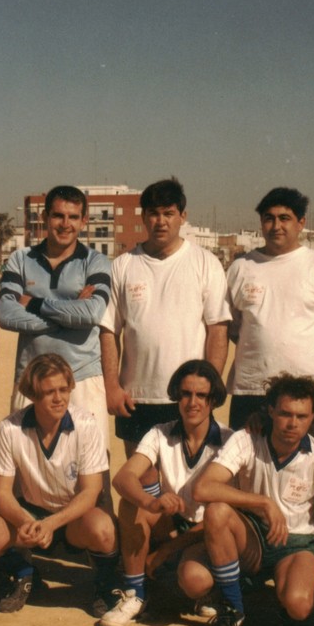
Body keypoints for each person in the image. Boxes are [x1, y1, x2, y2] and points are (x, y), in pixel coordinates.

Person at [191, 373, 314, 626]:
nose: (293, 423)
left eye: (302, 416)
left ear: (313, 417)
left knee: (299, 606)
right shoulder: (246, 439)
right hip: (252, 537)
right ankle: (232, 609)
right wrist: (263, 503)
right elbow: (202, 489)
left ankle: (273, 594)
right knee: (217, 511)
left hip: (298, 543)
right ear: (271, 411)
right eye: (285, 413)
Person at [99, 177, 231, 489]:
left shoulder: (205, 263)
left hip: (189, 396)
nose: (161, 221)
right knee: (144, 482)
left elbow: (217, 331)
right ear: (144, 217)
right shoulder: (123, 265)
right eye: (154, 213)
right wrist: (112, 387)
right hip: (137, 397)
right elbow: (108, 331)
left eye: (169, 213)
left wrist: (210, 385)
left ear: (183, 217)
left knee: (186, 481)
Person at [0, 353, 121, 615]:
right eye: (49, 392)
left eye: (64, 389)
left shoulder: (86, 424)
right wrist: (26, 522)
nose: (59, 398)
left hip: (72, 517)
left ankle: (105, 585)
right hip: (31, 513)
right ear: (33, 395)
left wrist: (52, 523)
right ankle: (24, 574)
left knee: (104, 529)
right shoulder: (10, 428)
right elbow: (1, 493)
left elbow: (91, 492)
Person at [98, 360, 233, 626]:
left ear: (213, 400)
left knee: (194, 579)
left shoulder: (230, 441)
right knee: (131, 504)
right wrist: (152, 501)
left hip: (208, 532)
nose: (192, 402)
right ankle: (135, 594)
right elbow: (123, 478)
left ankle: (203, 592)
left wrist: (168, 550)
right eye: (185, 394)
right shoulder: (160, 432)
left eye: (201, 395)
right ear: (176, 396)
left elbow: (231, 515)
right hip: (173, 523)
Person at [226, 187, 314, 436]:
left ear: (301, 222)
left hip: (305, 394)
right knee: (245, 468)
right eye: (269, 218)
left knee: (301, 469)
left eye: (284, 218)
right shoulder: (240, 268)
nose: (276, 226)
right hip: (251, 390)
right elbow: (232, 328)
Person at [0, 185, 111, 447]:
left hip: (82, 379)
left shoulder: (96, 262)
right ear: (45, 217)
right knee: (26, 470)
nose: (65, 224)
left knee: (92, 470)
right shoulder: (20, 259)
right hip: (30, 379)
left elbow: (92, 313)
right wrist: (71, 313)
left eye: (73, 217)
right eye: (58, 216)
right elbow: (6, 314)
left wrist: (35, 304)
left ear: (84, 221)